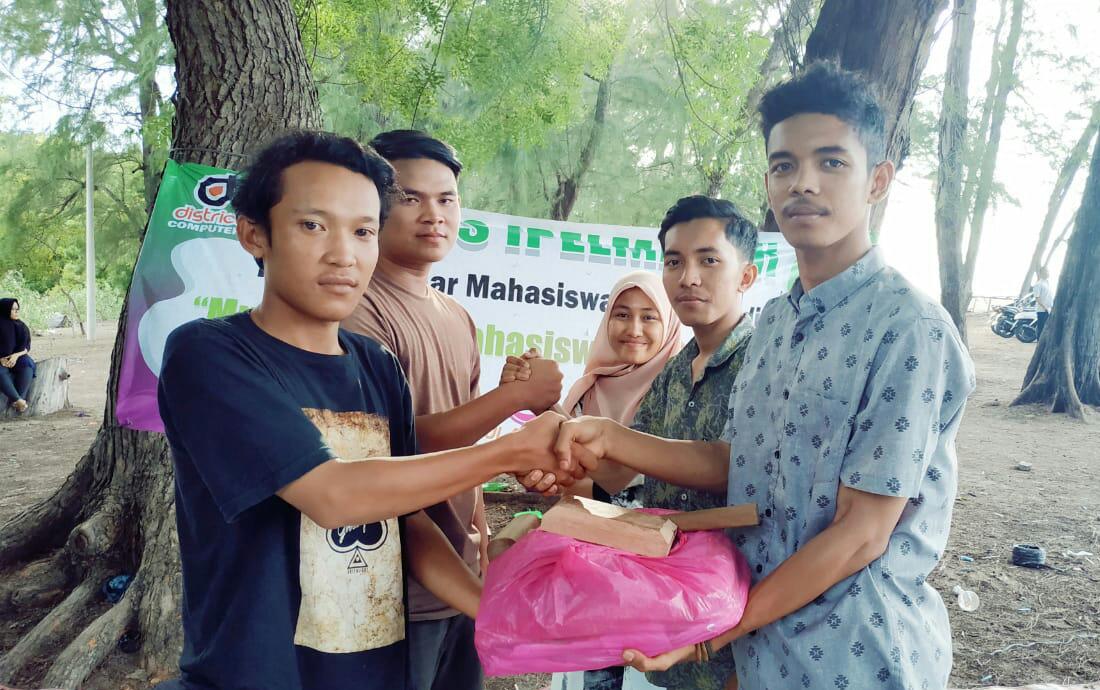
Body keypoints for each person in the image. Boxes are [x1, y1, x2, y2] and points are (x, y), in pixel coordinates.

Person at [551, 63, 976, 689]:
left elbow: (861, 534)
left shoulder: (910, 328)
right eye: (784, 165)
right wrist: (610, 437)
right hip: (760, 651)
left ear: (878, 180)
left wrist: (711, 637)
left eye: (832, 162)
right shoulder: (777, 321)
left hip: (853, 652)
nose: (803, 182)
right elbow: (741, 461)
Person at [156, 131, 585, 690]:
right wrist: (510, 451)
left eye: (362, 231)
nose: (343, 254)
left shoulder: (377, 365)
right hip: (259, 672)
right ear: (254, 234)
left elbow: (405, 521)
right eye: (314, 226)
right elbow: (333, 496)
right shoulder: (210, 353)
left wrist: (492, 611)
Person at [341, 129, 563, 690]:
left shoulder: (456, 316)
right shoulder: (358, 309)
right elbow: (389, 446)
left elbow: (466, 443)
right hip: (391, 577)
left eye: (447, 199)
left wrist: (480, 535)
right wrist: (515, 400)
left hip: (460, 568)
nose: (433, 214)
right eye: (410, 198)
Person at [521, 196, 760, 690]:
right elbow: (619, 474)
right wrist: (553, 461)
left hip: (740, 621)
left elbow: (735, 467)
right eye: (674, 262)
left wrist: (607, 436)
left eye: (708, 260)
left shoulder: (764, 362)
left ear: (746, 276)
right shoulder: (675, 371)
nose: (688, 277)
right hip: (668, 612)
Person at [0, 298, 35, 413]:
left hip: (16, 357)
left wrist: (16, 355)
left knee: (27, 364)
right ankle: (18, 400)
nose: (16, 312)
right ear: (5, 310)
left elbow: (26, 347)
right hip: (1, 360)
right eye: (13, 309)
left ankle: (19, 400)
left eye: (17, 309)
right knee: (0, 372)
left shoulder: (20, 325)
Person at [1032, 267, 1054, 337]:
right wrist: (1045, 308)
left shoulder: (1047, 283)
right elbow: (1037, 298)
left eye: (1048, 271)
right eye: (1046, 272)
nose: (1048, 273)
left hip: (1049, 309)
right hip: (1042, 310)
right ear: (1041, 273)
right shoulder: (1038, 284)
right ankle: (1039, 342)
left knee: (1048, 329)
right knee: (1041, 328)